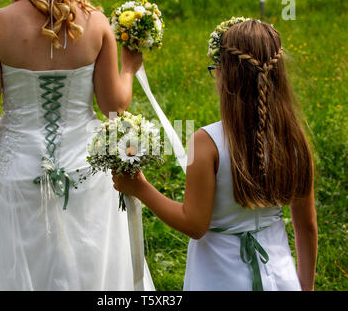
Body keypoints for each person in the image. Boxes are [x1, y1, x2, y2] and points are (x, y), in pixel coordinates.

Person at [112, 19, 318, 291]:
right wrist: (305, 286)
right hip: (281, 278)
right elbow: (307, 227)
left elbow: (194, 224)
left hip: (219, 278)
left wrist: (140, 187)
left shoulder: (206, 142)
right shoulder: (294, 138)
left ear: (222, 74)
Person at [0, 0, 154, 290]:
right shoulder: (96, 22)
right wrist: (129, 68)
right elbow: (113, 109)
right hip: (84, 168)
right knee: (88, 260)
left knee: (24, 262)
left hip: (18, 170)